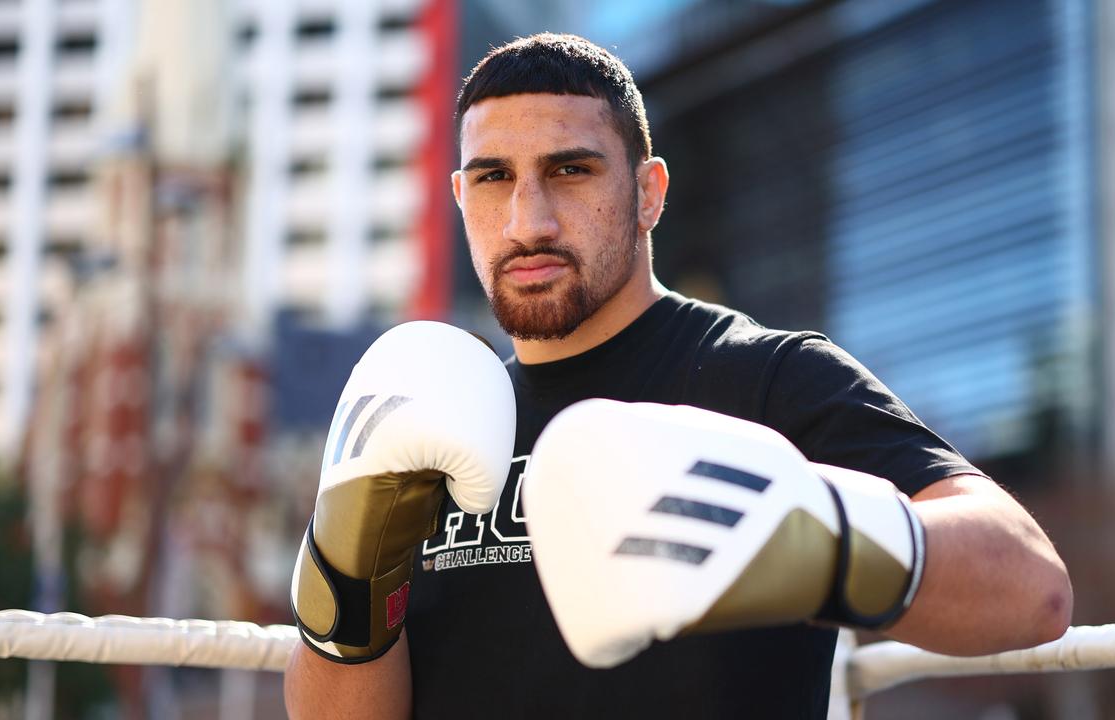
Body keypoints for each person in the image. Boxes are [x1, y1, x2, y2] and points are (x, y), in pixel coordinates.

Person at [285, 33, 1072, 719]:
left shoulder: (766, 377)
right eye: (493, 178)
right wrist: (349, 569)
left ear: (649, 192)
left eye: (570, 170)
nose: (528, 221)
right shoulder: (431, 419)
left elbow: (1033, 588)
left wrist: (816, 537)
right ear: (460, 197)